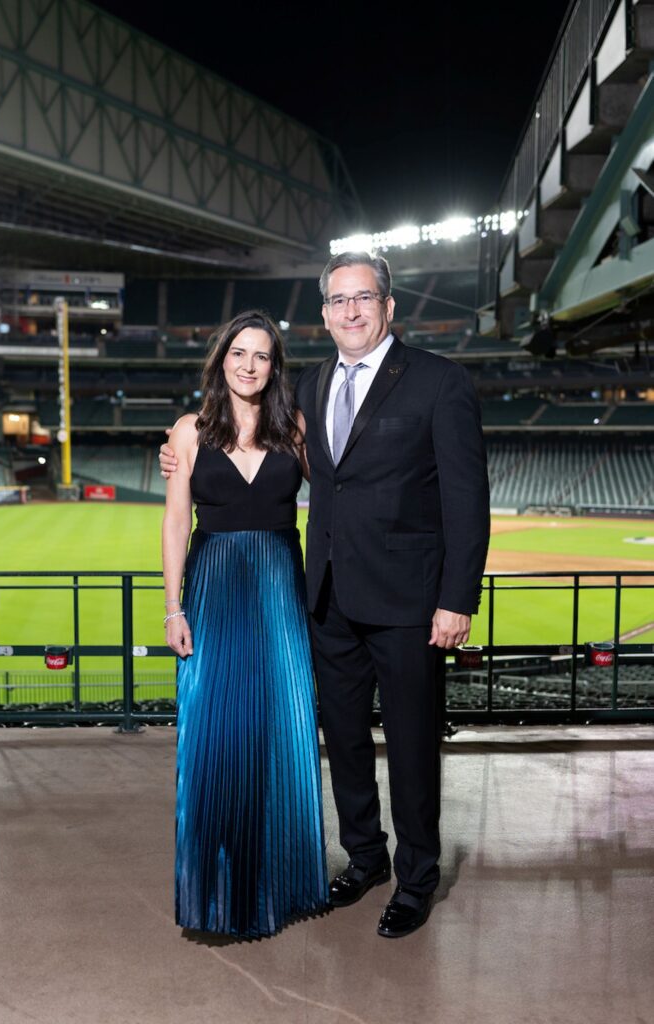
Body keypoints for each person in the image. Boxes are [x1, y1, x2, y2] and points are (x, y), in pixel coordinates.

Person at [161, 252, 489, 939]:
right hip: (326, 600)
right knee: (341, 741)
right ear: (324, 314)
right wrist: (172, 453)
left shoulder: (438, 381)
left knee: (409, 745)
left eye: (363, 298)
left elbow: (466, 501)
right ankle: (364, 858)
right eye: (338, 301)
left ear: (388, 306)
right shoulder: (306, 390)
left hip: (407, 601)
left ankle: (416, 876)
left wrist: (455, 599)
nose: (351, 311)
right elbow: (247, 458)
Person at [162, 309, 328, 939]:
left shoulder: (296, 429)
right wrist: (173, 606)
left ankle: (281, 884)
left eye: (261, 355)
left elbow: (340, 493)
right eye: (239, 353)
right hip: (213, 585)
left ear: (273, 365)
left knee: (282, 724)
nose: (249, 365)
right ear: (221, 359)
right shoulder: (189, 431)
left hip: (281, 587)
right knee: (214, 727)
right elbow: (177, 523)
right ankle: (215, 888)